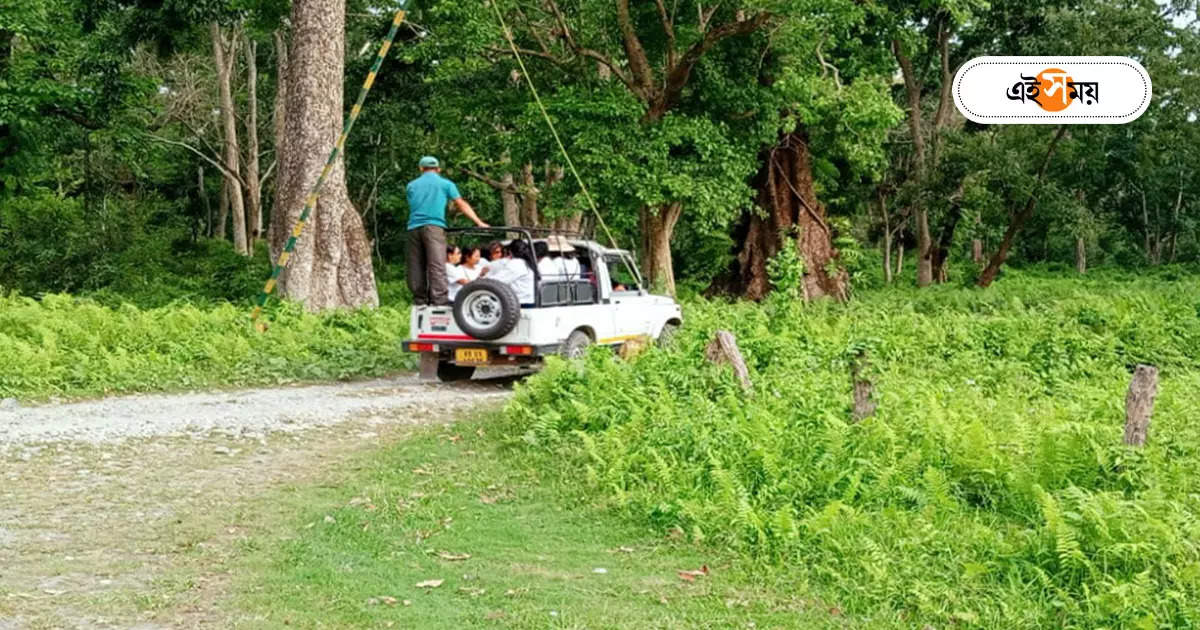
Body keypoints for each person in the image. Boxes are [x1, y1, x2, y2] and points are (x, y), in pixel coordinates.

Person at [405, 156, 488, 306]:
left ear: (421, 169)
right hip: (433, 226)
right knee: (437, 264)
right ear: (438, 169)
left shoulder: (411, 186)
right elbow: (461, 204)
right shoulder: (445, 184)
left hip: (413, 228)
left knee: (416, 265)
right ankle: (439, 301)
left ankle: (420, 300)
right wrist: (479, 222)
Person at [488, 240, 536, 306]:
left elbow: (497, 280)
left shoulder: (516, 263)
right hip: (529, 300)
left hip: (521, 302)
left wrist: (481, 278)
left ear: (510, 252)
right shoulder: (528, 262)